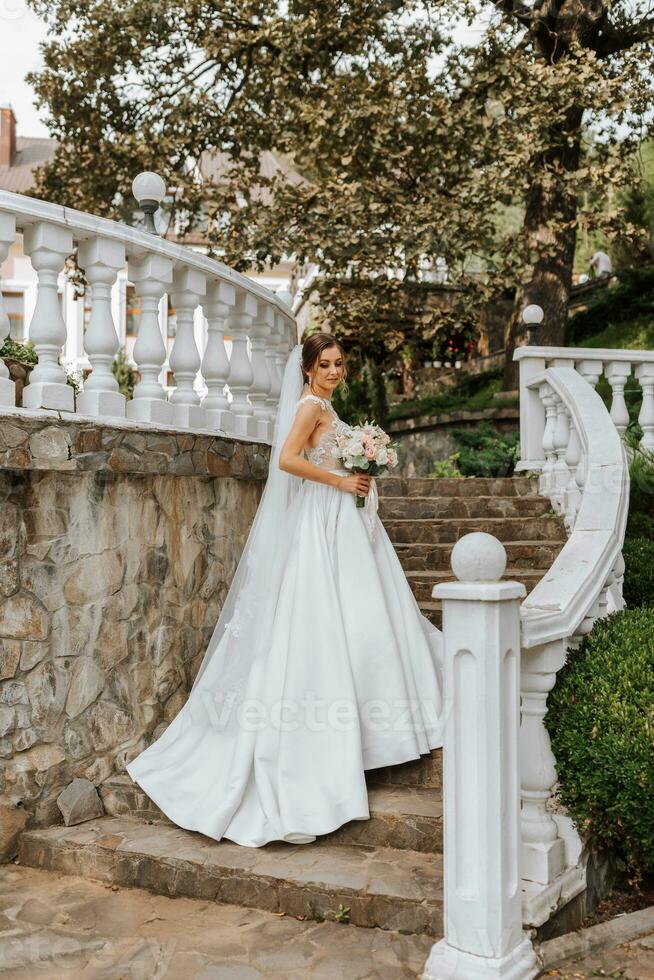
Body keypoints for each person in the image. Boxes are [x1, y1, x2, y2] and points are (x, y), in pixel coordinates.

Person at [126, 333, 443, 847]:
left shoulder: (326, 406)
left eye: (340, 363)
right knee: (336, 624)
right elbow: (287, 462)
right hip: (324, 519)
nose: (335, 371)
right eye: (326, 364)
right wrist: (342, 481)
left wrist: (362, 463)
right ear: (309, 368)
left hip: (340, 521)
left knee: (364, 621)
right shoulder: (311, 406)